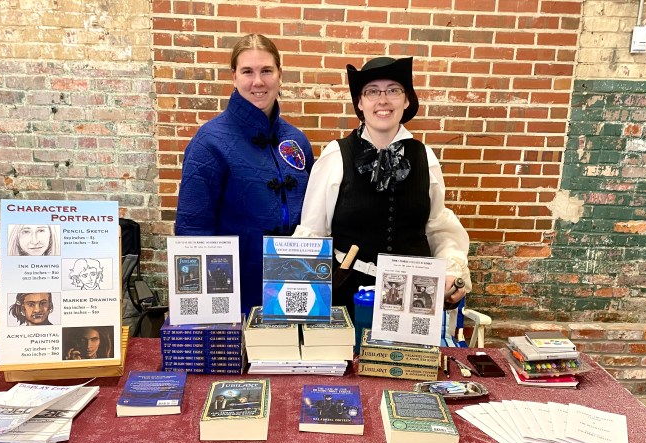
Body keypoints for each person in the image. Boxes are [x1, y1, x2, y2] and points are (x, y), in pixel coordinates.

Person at [294, 57, 471, 314]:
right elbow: (314, 233)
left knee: (407, 357)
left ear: (407, 100)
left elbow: (439, 229)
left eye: (393, 90)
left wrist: (452, 272)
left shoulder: (425, 158)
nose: (383, 100)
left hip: (414, 298)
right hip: (350, 296)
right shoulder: (336, 156)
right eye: (372, 91)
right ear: (360, 102)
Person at [175, 33, 315, 313]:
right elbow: (193, 232)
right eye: (247, 72)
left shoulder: (296, 141)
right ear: (234, 77)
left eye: (266, 70)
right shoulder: (210, 142)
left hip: (295, 289)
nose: (258, 82)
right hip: (236, 293)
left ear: (279, 74)